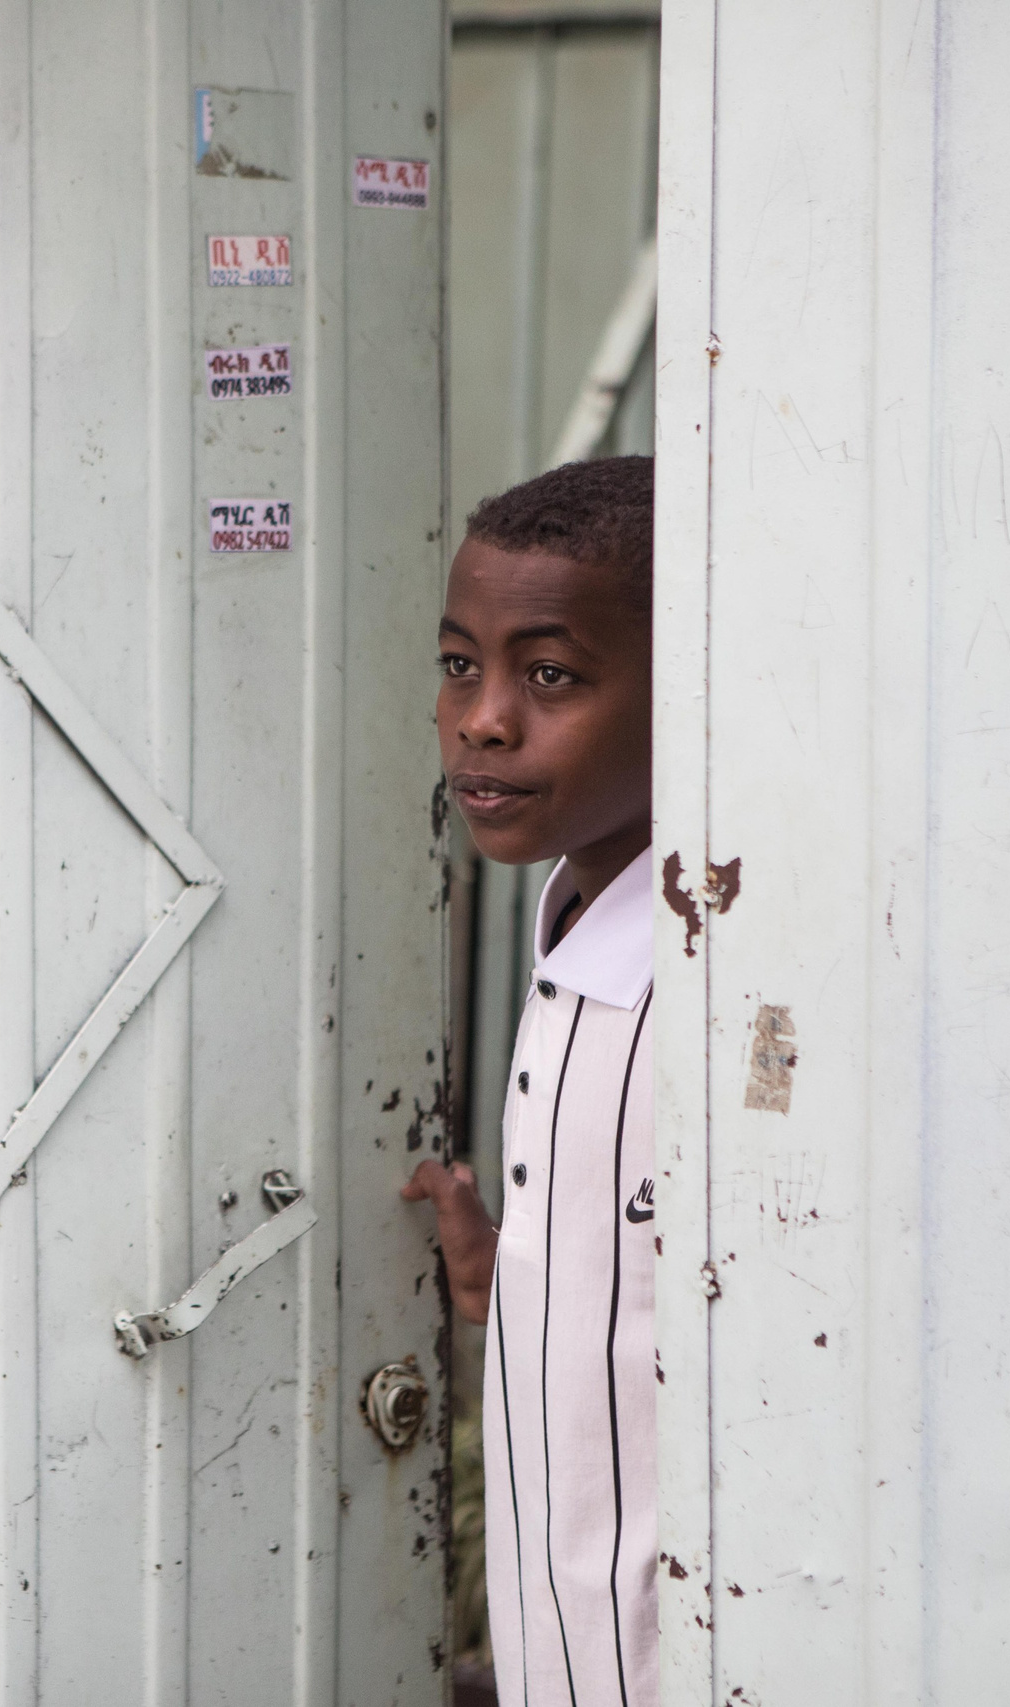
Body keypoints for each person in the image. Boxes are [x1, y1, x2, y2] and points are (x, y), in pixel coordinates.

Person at [404, 456, 656, 1707]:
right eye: (461, 664)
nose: (483, 718)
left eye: (549, 675)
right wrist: (522, 1278)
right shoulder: (577, 912)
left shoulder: (715, 989)